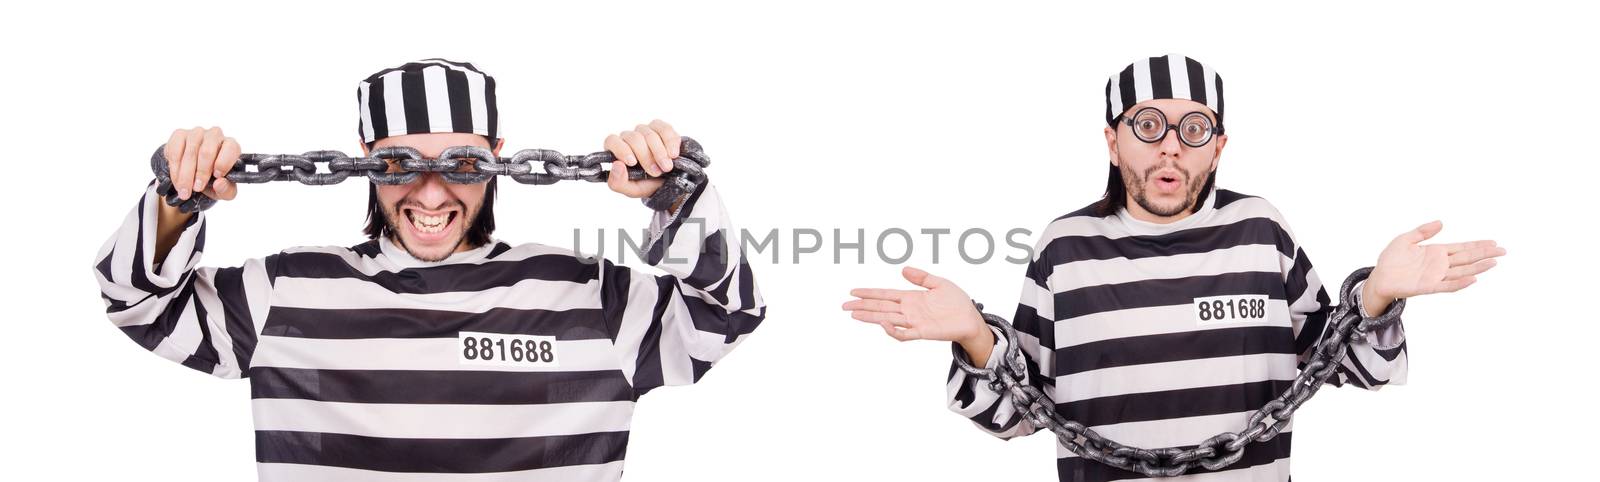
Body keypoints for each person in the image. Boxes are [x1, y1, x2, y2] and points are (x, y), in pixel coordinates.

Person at [92, 59, 766, 481]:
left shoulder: (589, 296)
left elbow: (723, 317)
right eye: (399, 164)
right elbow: (138, 304)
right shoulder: (286, 291)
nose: (433, 194)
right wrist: (178, 200)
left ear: (499, 155)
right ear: (364, 156)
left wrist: (675, 196)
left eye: (464, 164)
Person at [842, 54, 1504, 481]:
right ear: (1112, 138)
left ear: (1216, 148)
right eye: (1148, 125)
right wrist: (974, 337)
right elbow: (1022, 414)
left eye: (1193, 131)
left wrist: (1380, 293)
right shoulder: (1064, 249)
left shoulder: (1260, 232)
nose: (1170, 149)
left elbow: (1344, 365)